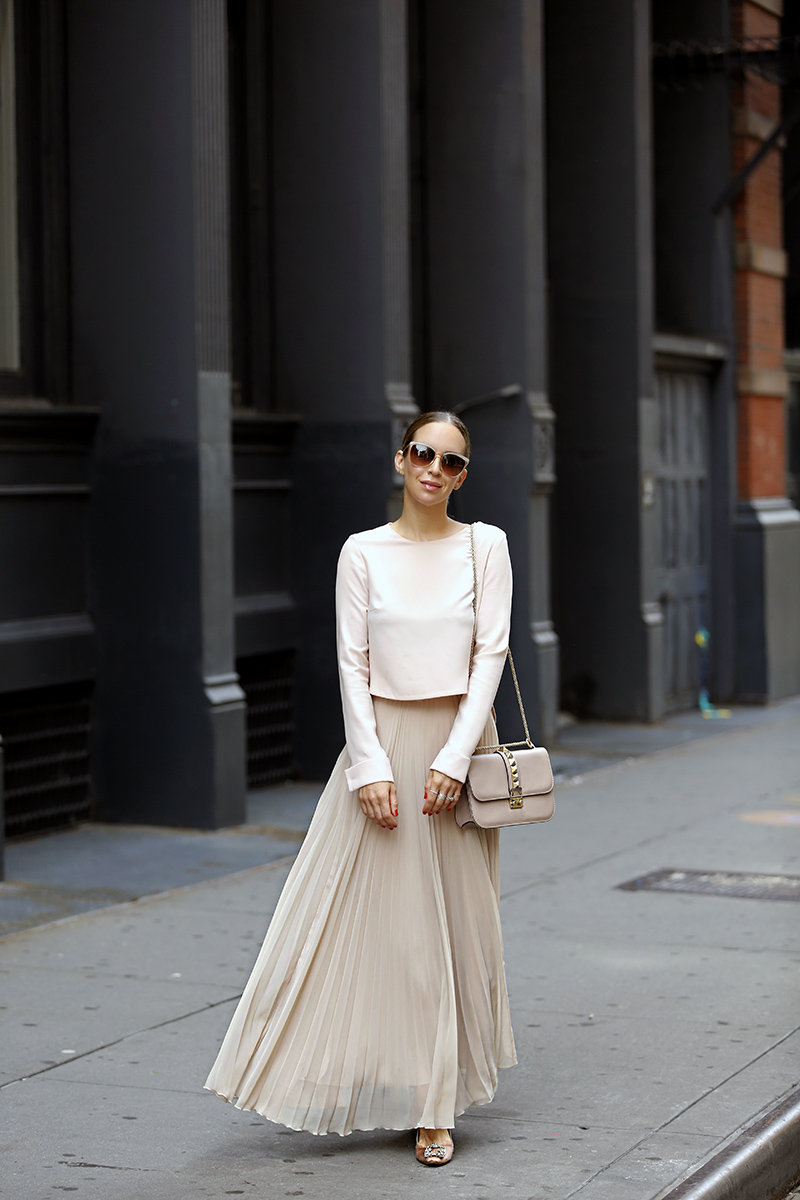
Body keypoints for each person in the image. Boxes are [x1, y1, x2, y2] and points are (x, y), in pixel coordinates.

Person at [205, 411, 517, 1166]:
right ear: (400, 459)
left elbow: (490, 656)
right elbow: (353, 665)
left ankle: (435, 1103)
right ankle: (372, 1073)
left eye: (452, 461)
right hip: (382, 747)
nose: (435, 469)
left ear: (464, 473)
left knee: (444, 931)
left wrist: (450, 758)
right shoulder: (361, 552)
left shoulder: (487, 547)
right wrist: (369, 767)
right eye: (423, 453)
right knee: (368, 923)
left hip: (457, 746)